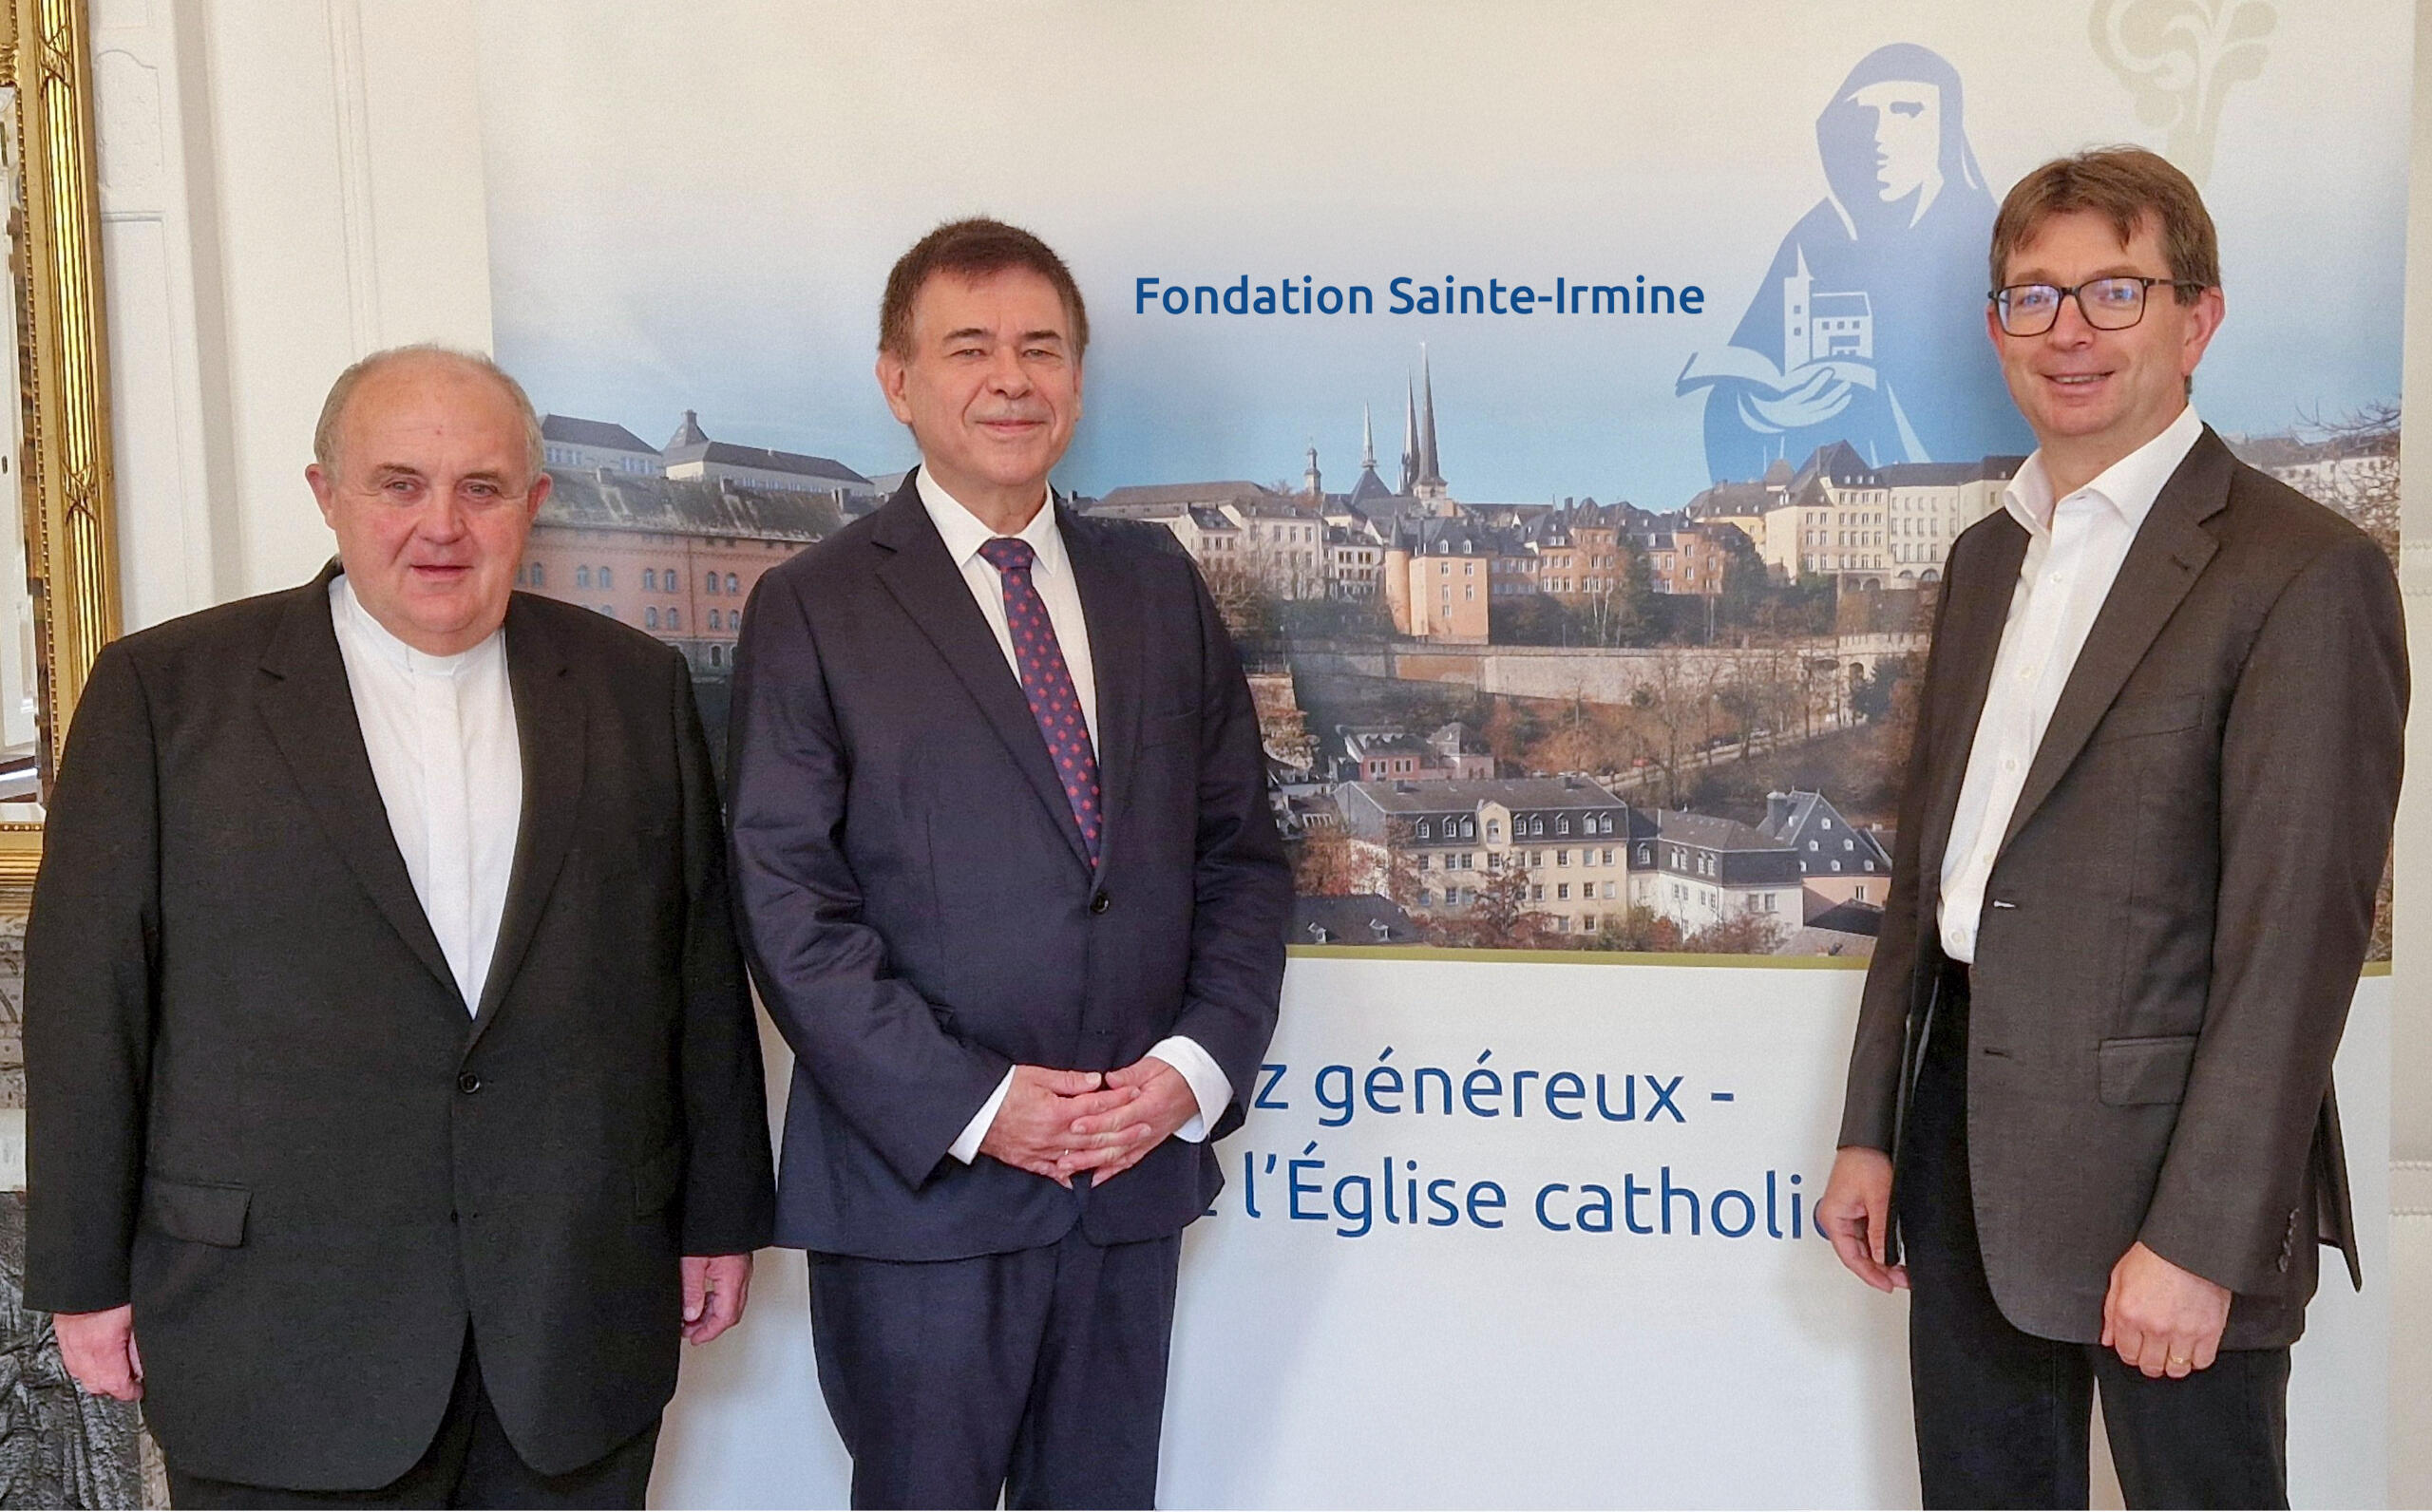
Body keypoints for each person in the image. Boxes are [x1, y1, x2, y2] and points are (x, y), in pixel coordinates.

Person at [25, 346, 776, 1508]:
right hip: (275, 1338)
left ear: (532, 502)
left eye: (481, 487)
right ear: (325, 494)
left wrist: (720, 1215)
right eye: (398, 483)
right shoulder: (162, 692)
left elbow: (695, 967)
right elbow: (89, 1000)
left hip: (572, 1322)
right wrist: (82, 1273)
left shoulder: (634, 685)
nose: (442, 524)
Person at [1815, 147, 2407, 1508]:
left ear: (2197, 319)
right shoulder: (1985, 560)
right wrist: (1875, 1127)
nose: (2068, 330)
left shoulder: (2303, 573)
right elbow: (1931, 881)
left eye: (2114, 291)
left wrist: (2201, 1239)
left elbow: (2294, 945)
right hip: (1961, 1139)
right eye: (2033, 296)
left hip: (2171, 1171)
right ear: (1996, 329)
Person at [727, 217, 1290, 1509]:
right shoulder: (812, 605)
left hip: (1128, 1176)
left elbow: (1240, 859)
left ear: (1077, 382)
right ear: (897, 380)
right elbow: (788, 904)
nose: (1011, 379)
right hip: (923, 1192)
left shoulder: (1157, 583)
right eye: (969, 347)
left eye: (1041, 348)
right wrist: (979, 1105)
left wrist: (1190, 1071)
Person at [1684, 43, 2030, 481]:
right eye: (1863, 116)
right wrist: (1764, 411)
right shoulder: (1813, 239)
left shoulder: (1991, 237)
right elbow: (1733, 392)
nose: (1880, 135)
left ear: (1945, 129)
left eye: (1906, 112)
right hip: (1836, 494)